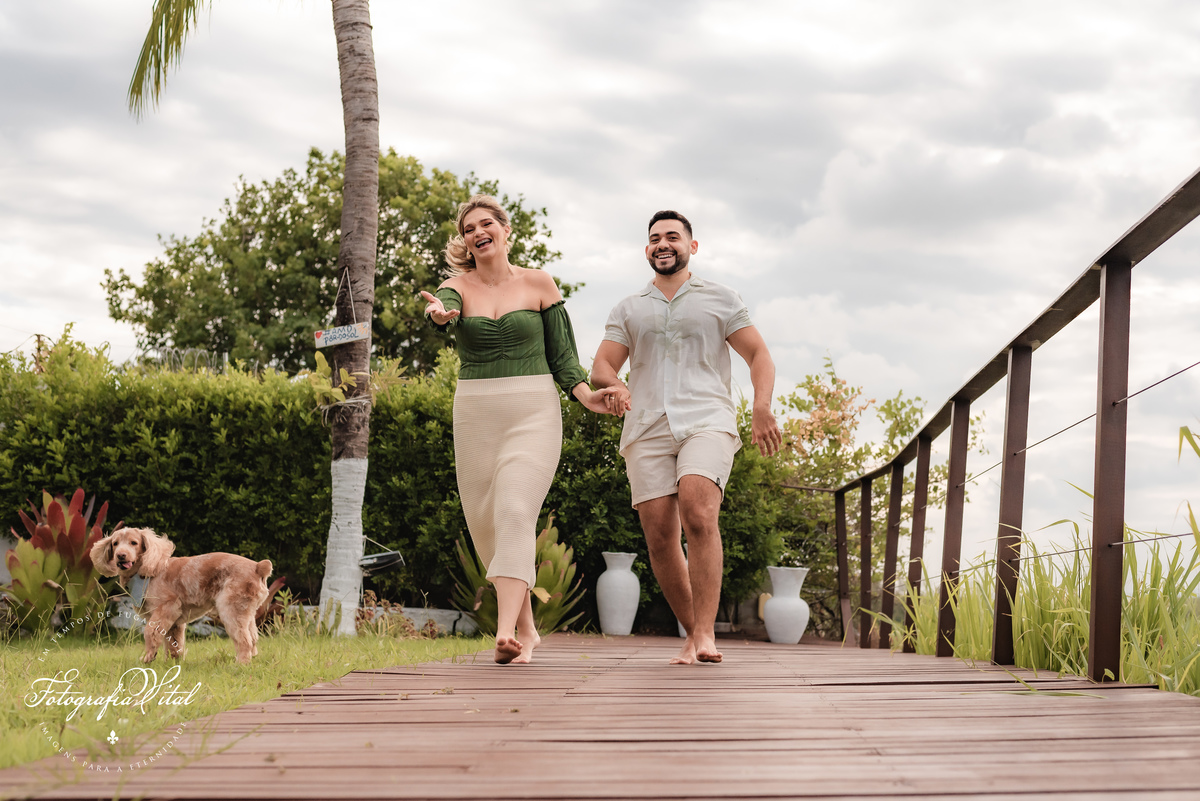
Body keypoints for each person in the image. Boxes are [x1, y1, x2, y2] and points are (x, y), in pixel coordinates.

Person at [421, 194, 623, 665]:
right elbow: (441, 307)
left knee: (514, 506)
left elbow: (563, 358)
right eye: (469, 228)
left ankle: (505, 632)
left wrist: (588, 397)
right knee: (488, 526)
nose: (478, 232)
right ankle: (528, 632)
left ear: (505, 230)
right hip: (475, 414)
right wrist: (440, 315)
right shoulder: (456, 287)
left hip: (533, 411)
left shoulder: (539, 283)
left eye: (486, 223)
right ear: (465, 240)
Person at [591, 210, 783, 665]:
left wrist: (761, 405)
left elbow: (759, 354)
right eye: (655, 238)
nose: (663, 244)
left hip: (707, 420)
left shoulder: (720, 298)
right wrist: (614, 386)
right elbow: (602, 365)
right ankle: (692, 634)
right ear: (647, 250)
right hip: (647, 427)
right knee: (659, 535)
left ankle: (704, 634)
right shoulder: (629, 307)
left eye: (672, 237)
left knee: (698, 510)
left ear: (691, 247)